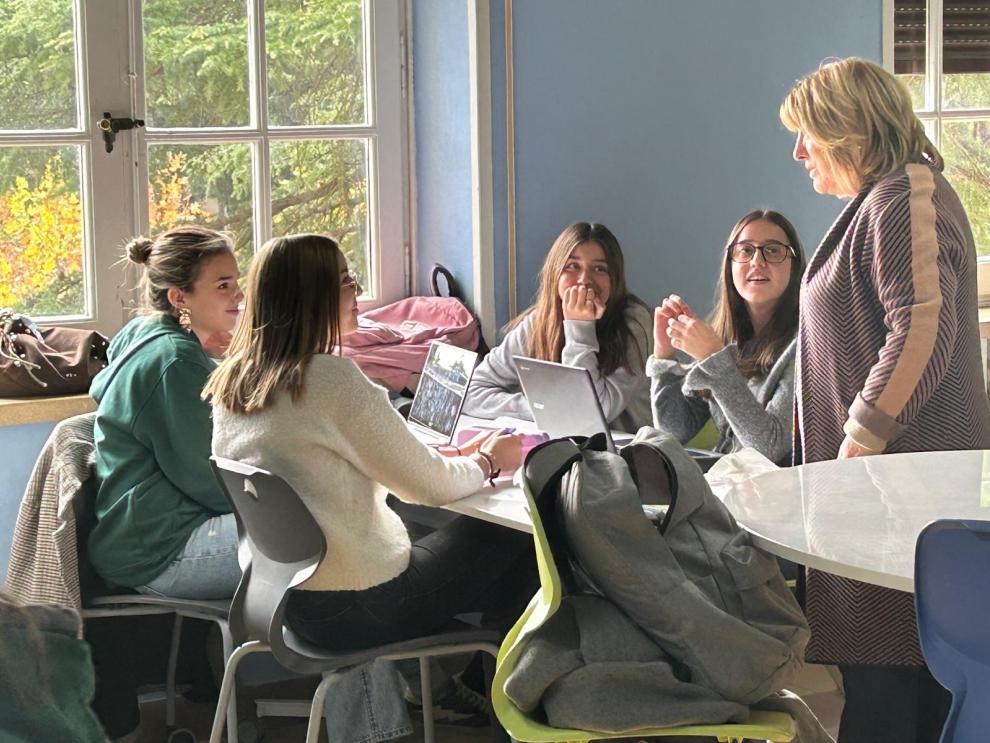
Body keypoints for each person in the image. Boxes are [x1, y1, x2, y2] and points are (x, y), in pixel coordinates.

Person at [205, 234, 534, 726]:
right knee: (520, 538)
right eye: (344, 280)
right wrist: (489, 460)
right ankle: (520, 711)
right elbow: (426, 489)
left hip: (287, 600)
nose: (356, 288)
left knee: (489, 557)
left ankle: (489, 695)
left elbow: (340, 461)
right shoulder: (332, 380)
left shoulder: (235, 382)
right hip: (359, 605)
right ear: (310, 296)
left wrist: (449, 458)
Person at [780, 57, 990, 743]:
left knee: (895, 702)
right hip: (882, 500)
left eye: (807, 133)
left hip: (901, 505)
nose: (798, 151)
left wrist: (858, 443)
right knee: (889, 694)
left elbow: (921, 326)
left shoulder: (906, 196)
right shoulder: (879, 202)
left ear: (850, 130)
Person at [88, 225, 243, 600]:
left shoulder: (144, 331)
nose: (239, 294)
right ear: (179, 297)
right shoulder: (174, 362)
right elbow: (211, 478)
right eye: (223, 285)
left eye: (237, 281)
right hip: (161, 550)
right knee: (319, 542)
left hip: (138, 534)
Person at [648, 210, 806, 465]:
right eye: (745, 251)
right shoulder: (725, 339)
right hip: (724, 484)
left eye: (773, 250)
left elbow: (770, 448)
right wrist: (664, 357)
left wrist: (713, 359)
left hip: (773, 494)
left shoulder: (806, 344)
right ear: (729, 264)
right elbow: (674, 431)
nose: (757, 261)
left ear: (794, 265)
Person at [463, 221, 652, 431]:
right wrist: (542, 409)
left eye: (599, 268)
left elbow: (588, 415)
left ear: (614, 279)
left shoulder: (634, 323)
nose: (584, 280)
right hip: (563, 449)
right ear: (555, 272)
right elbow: (472, 391)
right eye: (572, 266)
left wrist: (579, 326)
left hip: (626, 454)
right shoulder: (538, 322)